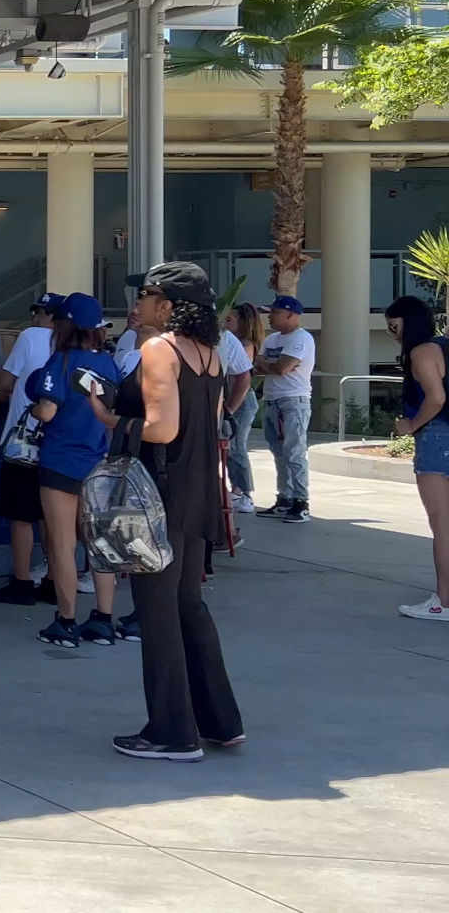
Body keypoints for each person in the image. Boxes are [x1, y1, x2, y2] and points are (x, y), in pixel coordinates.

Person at [90, 262, 242, 760]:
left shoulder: (158, 350)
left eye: (148, 295)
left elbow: (161, 428)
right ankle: (220, 721)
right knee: (188, 604)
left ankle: (172, 733)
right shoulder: (210, 354)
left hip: (159, 494)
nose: (137, 304)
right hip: (197, 491)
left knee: (156, 612)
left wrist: (108, 414)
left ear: (170, 307)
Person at [25, 293, 128, 649]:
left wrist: (36, 407)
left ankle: (66, 622)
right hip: (97, 462)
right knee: (99, 545)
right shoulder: (110, 365)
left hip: (61, 463)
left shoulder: (61, 361)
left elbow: (48, 412)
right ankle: (103, 619)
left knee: (63, 545)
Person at [0, 292, 64, 605]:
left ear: (48, 316)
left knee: (20, 516)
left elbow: (4, 381)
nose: (34, 317)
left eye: (38, 311)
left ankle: (21, 580)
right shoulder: (70, 345)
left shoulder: (30, 336)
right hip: (56, 441)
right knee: (49, 517)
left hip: (24, 439)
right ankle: (54, 580)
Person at [387, 296, 449, 621]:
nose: (394, 334)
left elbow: (436, 398)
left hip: (437, 438)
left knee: (442, 525)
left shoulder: (422, 352)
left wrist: (411, 424)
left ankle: (444, 602)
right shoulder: (444, 345)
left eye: (394, 327)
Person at [253, 295, 316, 523]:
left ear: (291, 315)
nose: (270, 317)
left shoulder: (301, 339)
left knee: (294, 452)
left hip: (293, 402)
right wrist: (272, 366)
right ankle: (285, 499)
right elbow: (258, 366)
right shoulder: (272, 340)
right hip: (272, 400)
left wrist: (270, 365)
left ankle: (301, 501)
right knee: (279, 453)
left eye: (275, 312)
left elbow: (282, 368)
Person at [222, 303, 266, 514]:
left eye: (229, 320)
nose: (224, 323)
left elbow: (241, 377)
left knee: (236, 446)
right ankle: (237, 488)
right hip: (233, 400)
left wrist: (230, 407)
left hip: (241, 401)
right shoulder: (234, 343)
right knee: (230, 446)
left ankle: (244, 492)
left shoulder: (244, 345)